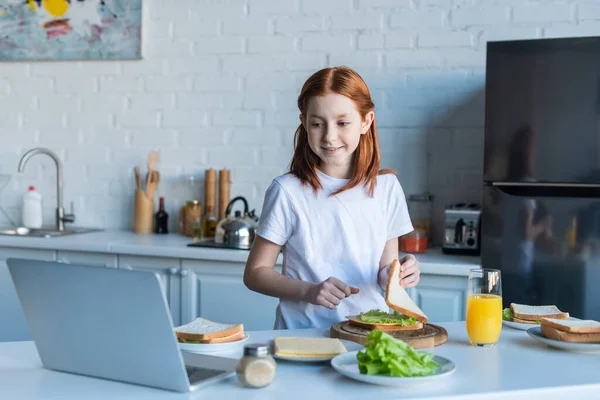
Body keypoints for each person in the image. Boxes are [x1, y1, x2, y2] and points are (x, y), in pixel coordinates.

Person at [243, 66, 421, 330]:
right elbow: (255, 273)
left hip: (369, 335)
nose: (329, 136)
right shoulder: (287, 191)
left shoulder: (386, 187)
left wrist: (400, 274)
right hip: (303, 335)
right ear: (304, 123)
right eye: (317, 123)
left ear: (366, 121)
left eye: (342, 123)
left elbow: (384, 272)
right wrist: (310, 291)